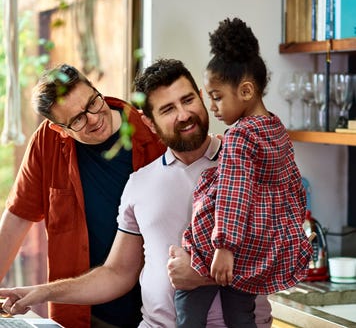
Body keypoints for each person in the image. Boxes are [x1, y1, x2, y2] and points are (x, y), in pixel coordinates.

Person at [0, 59, 273, 327]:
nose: (182, 115)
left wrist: (202, 275)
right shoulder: (139, 182)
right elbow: (117, 272)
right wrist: (41, 291)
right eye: (167, 109)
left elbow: (281, 251)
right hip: (118, 317)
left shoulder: (244, 163)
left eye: (188, 100)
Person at [0, 63, 166, 328]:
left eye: (92, 102)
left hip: (151, 310)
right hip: (80, 313)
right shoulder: (47, 143)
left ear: (95, 89)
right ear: (59, 129)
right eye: (77, 119)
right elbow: (18, 216)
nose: (93, 118)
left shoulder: (150, 133)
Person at [174, 18, 313, 328]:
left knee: (187, 304)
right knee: (241, 312)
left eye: (217, 96)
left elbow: (234, 194)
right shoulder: (275, 128)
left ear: (247, 90)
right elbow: (292, 184)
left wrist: (224, 246)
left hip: (226, 245)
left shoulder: (240, 136)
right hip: (258, 245)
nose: (212, 106)